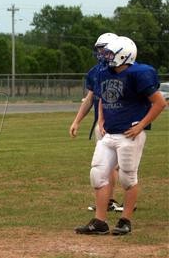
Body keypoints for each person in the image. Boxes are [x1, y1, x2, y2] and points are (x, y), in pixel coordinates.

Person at [75, 36, 165, 235]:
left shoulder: (138, 74)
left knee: (127, 179)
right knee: (98, 175)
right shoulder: (104, 73)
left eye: (109, 54)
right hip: (109, 134)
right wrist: (101, 120)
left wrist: (141, 125)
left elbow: (159, 103)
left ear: (124, 55)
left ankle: (125, 221)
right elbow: (102, 98)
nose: (105, 57)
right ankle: (100, 222)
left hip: (128, 134)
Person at [69, 33, 123, 212]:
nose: (100, 53)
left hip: (122, 124)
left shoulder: (126, 70)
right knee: (105, 165)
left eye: (103, 49)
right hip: (102, 125)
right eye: (99, 50)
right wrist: (77, 121)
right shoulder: (95, 72)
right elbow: (91, 98)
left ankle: (119, 201)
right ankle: (107, 201)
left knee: (121, 166)